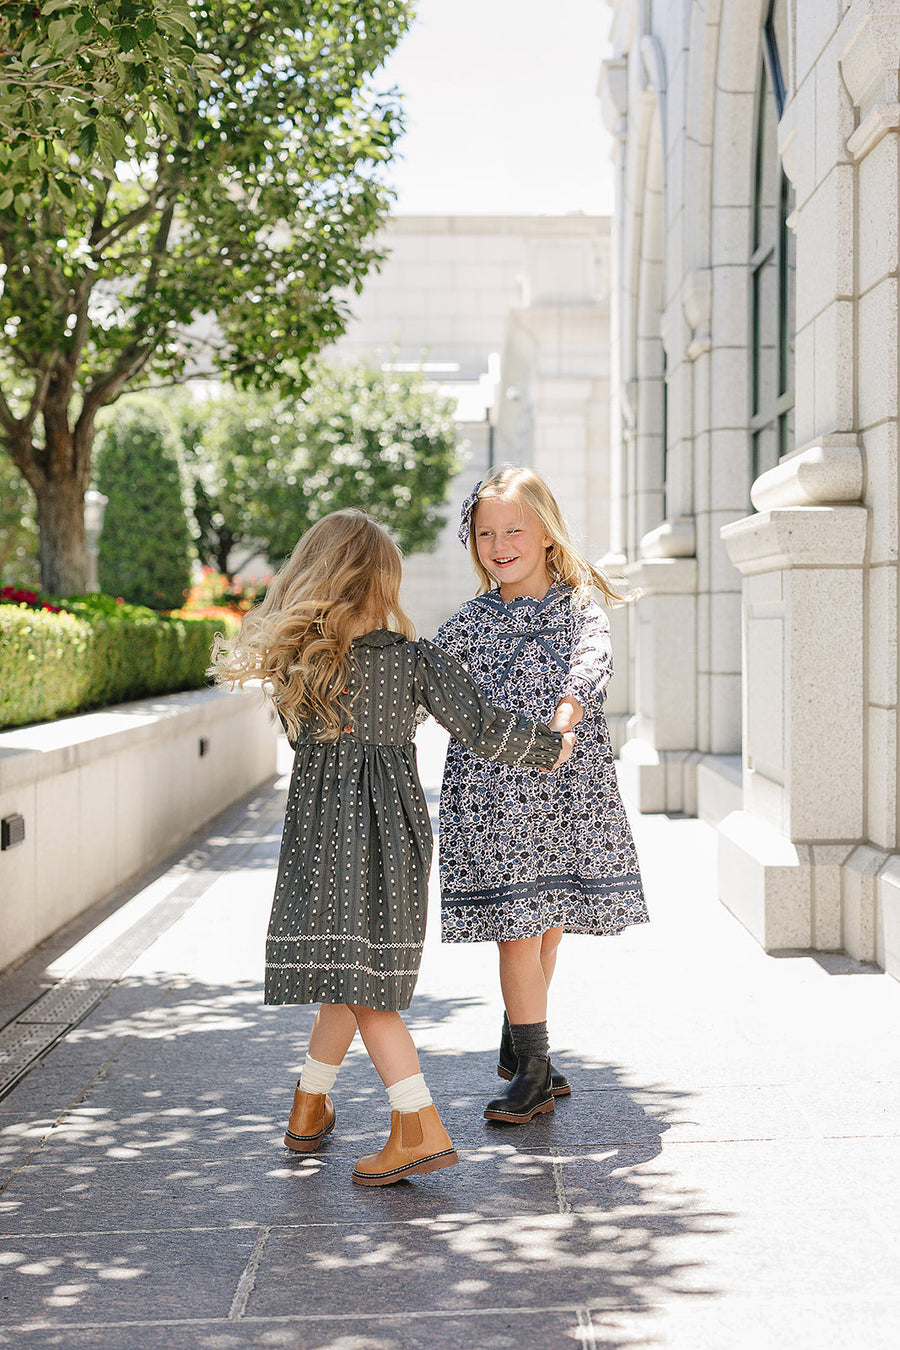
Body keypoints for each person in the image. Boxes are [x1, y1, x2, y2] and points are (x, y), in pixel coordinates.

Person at [210, 509, 573, 1186]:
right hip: (389, 841)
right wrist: (552, 746)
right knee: (358, 980)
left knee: (353, 978)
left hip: (320, 843)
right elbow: (482, 726)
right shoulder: (413, 660)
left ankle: (410, 1126)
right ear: (384, 582)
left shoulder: (304, 663)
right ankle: (327, 1109)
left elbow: (299, 740)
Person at [434, 465, 649, 1125]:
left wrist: (564, 716)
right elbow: (428, 681)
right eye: (485, 532)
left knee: (549, 927)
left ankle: (526, 1041)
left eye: (514, 530)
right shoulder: (469, 623)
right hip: (495, 800)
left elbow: (593, 662)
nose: (499, 544)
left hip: (564, 793)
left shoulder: (578, 604)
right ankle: (530, 1069)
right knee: (516, 933)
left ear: (547, 535)